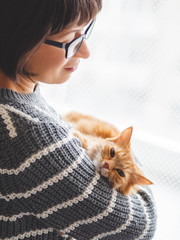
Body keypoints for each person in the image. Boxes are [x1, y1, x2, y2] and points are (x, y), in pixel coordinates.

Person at [0, 1, 157, 239]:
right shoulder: (28, 134)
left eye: (86, 30)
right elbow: (139, 227)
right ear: (22, 37)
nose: (85, 51)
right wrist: (116, 140)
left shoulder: (23, 97)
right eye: (72, 38)